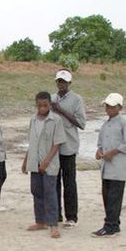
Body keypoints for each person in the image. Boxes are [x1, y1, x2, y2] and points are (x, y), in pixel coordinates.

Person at [21, 91, 66, 239]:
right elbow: (31, 142)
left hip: (49, 163)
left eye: (45, 105)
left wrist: (47, 161)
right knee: (36, 190)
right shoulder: (33, 120)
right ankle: (40, 221)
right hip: (34, 162)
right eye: (39, 105)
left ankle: (53, 224)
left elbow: (57, 143)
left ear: (49, 105)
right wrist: (26, 160)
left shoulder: (56, 120)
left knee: (50, 193)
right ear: (36, 105)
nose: (42, 108)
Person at [93, 93, 126, 236]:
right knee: (107, 195)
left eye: (112, 106)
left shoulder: (124, 123)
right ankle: (114, 224)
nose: (109, 109)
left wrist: (114, 152)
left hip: (119, 167)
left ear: (119, 107)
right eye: (107, 106)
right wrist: (99, 151)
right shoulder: (105, 124)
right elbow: (100, 142)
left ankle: (110, 225)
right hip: (107, 167)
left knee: (114, 196)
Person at [50, 69, 86, 227]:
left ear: (69, 83)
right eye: (59, 81)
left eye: (64, 81)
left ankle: (71, 217)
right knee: (54, 181)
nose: (61, 84)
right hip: (53, 147)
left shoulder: (77, 99)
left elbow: (81, 123)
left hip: (69, 146)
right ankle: (56, 214)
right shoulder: (51, 98)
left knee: (69, 182)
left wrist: (61, 110)